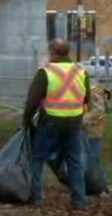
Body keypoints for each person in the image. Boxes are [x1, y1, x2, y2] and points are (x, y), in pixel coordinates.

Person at [23, 38, 90, 211]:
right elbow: (86, 97)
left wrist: (26, 121)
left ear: (52, 52)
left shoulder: (45, 72)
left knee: (38, 158)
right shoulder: (81, 72)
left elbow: (32, 101)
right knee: (74, 161)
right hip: (74, 122)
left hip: (50, 121)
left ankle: (36, 196)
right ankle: (79, 201)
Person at [83, 85, 112, 196]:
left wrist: (81, 120)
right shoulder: (89, 89)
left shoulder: (92, 91)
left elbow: (99, 110)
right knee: (90, 160)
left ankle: (100, 188)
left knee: (93, 161)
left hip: (92, 131)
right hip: (89, 130)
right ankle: (98, 187)